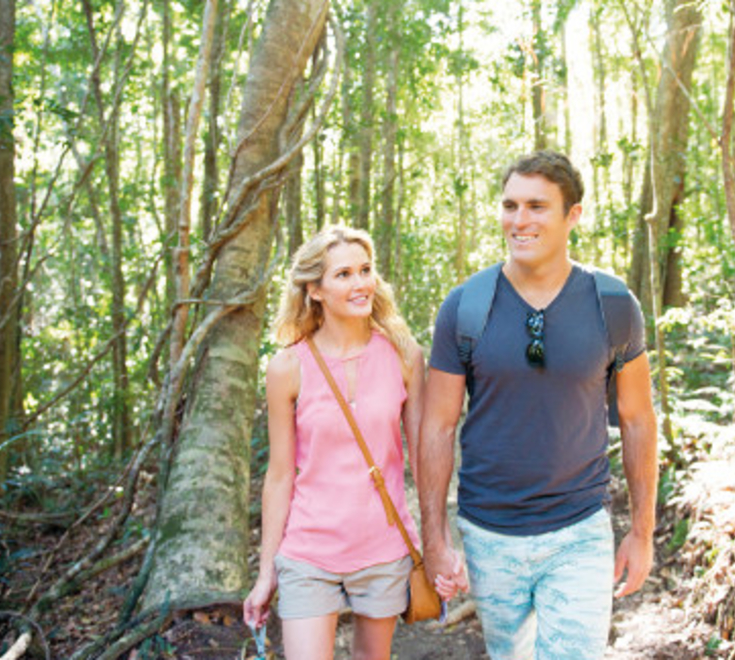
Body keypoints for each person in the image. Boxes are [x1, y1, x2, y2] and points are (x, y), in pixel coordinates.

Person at [418, 151, 659, 659]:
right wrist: (436, 537)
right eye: (510, 205)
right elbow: (437, 427)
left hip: (579, 527)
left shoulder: (612, 304)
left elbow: (638, 420)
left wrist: (641, 532)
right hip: (488, 532)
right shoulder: (465, 306)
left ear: (573, 215)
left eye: (536, 206)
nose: (519, 220)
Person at [243, 225, 425, 660]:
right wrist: (266, 571)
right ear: (315, 289)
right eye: (343, 274)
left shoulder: (405, 355)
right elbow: (280, 475)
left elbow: (423, 458)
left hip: (384, 549)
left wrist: (435, 547)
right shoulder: (286, 367)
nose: (361, 283)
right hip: (309, 552)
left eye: (365, 270)